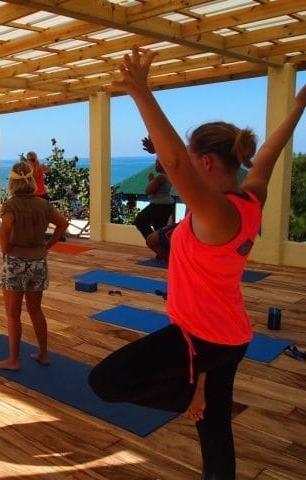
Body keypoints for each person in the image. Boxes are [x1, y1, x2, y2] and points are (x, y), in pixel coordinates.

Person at [88, 46, 306, 480]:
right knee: (215, 434)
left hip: (201, 338)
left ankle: (189, 392)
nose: (183, 167)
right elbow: (267, 156)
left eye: (191, 159)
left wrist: (141, 93)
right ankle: (199, 394)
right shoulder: (249, 200)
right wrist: (298, 107)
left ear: (205, 162)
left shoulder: (215, 213)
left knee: (105, 383)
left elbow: (171, 162)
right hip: (231, 334)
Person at [0, 161, 68, 371]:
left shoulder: (11, 205)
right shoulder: (43, 204)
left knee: (13, 314)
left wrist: (5, 250)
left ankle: (13, 360)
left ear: (11, 183)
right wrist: (48, 245)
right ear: (32, 181)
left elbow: (5, 230)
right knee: (36, 310)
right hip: (39, 261)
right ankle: (43, 354)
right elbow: (63, 223)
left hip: (16, 261)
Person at [133, 136, 176, 239]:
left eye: (157, 163)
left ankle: (155, 243)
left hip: (158, 205)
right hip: (167, 205)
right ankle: (161, 252)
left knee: (140, 221)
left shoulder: (160, 177)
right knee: (160, 228)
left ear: (162, 164)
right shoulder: (169, 176)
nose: (155, 164)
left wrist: (151, 179)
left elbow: (148, 190)